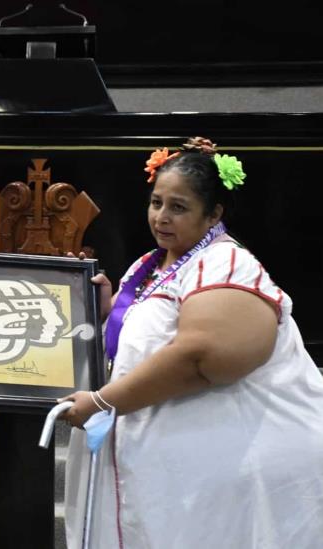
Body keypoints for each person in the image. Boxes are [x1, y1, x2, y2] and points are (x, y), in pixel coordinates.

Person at [60, 136, 323, 548]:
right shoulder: (149, 264)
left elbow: (204, 358)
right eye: (156, 203)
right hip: (172, 472)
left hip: (230, 470)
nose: (162, 217)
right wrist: (108, 312)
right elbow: (151, 338)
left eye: (178, 207)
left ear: (213, 213)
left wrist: (104, 402)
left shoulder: (226, 263)